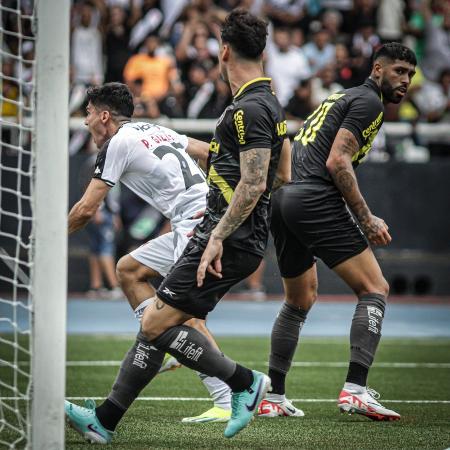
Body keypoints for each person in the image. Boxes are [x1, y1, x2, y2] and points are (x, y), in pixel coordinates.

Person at [66, 9, 291, 443]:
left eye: (90, 113)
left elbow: (86, 210)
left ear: (224, 51)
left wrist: (220, 229)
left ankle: (238, 385)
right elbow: (253, 161)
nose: (87, 121)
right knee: (131, 273)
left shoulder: (246, 108)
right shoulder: (163, 126)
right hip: (203, 221)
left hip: (207, 228)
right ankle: (109, 418)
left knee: (160, 325)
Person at [259, 42, 417, 421]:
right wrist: (366, 217)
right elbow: (337, 160)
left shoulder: (341, 97)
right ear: (377, 70)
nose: (406, 81)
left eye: (410, 74)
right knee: (375, 288)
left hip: (284, 198)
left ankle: (273, 396)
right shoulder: (370, 103)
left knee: (298, 301)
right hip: (313, 197)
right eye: (399, 71)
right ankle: (356, 390)